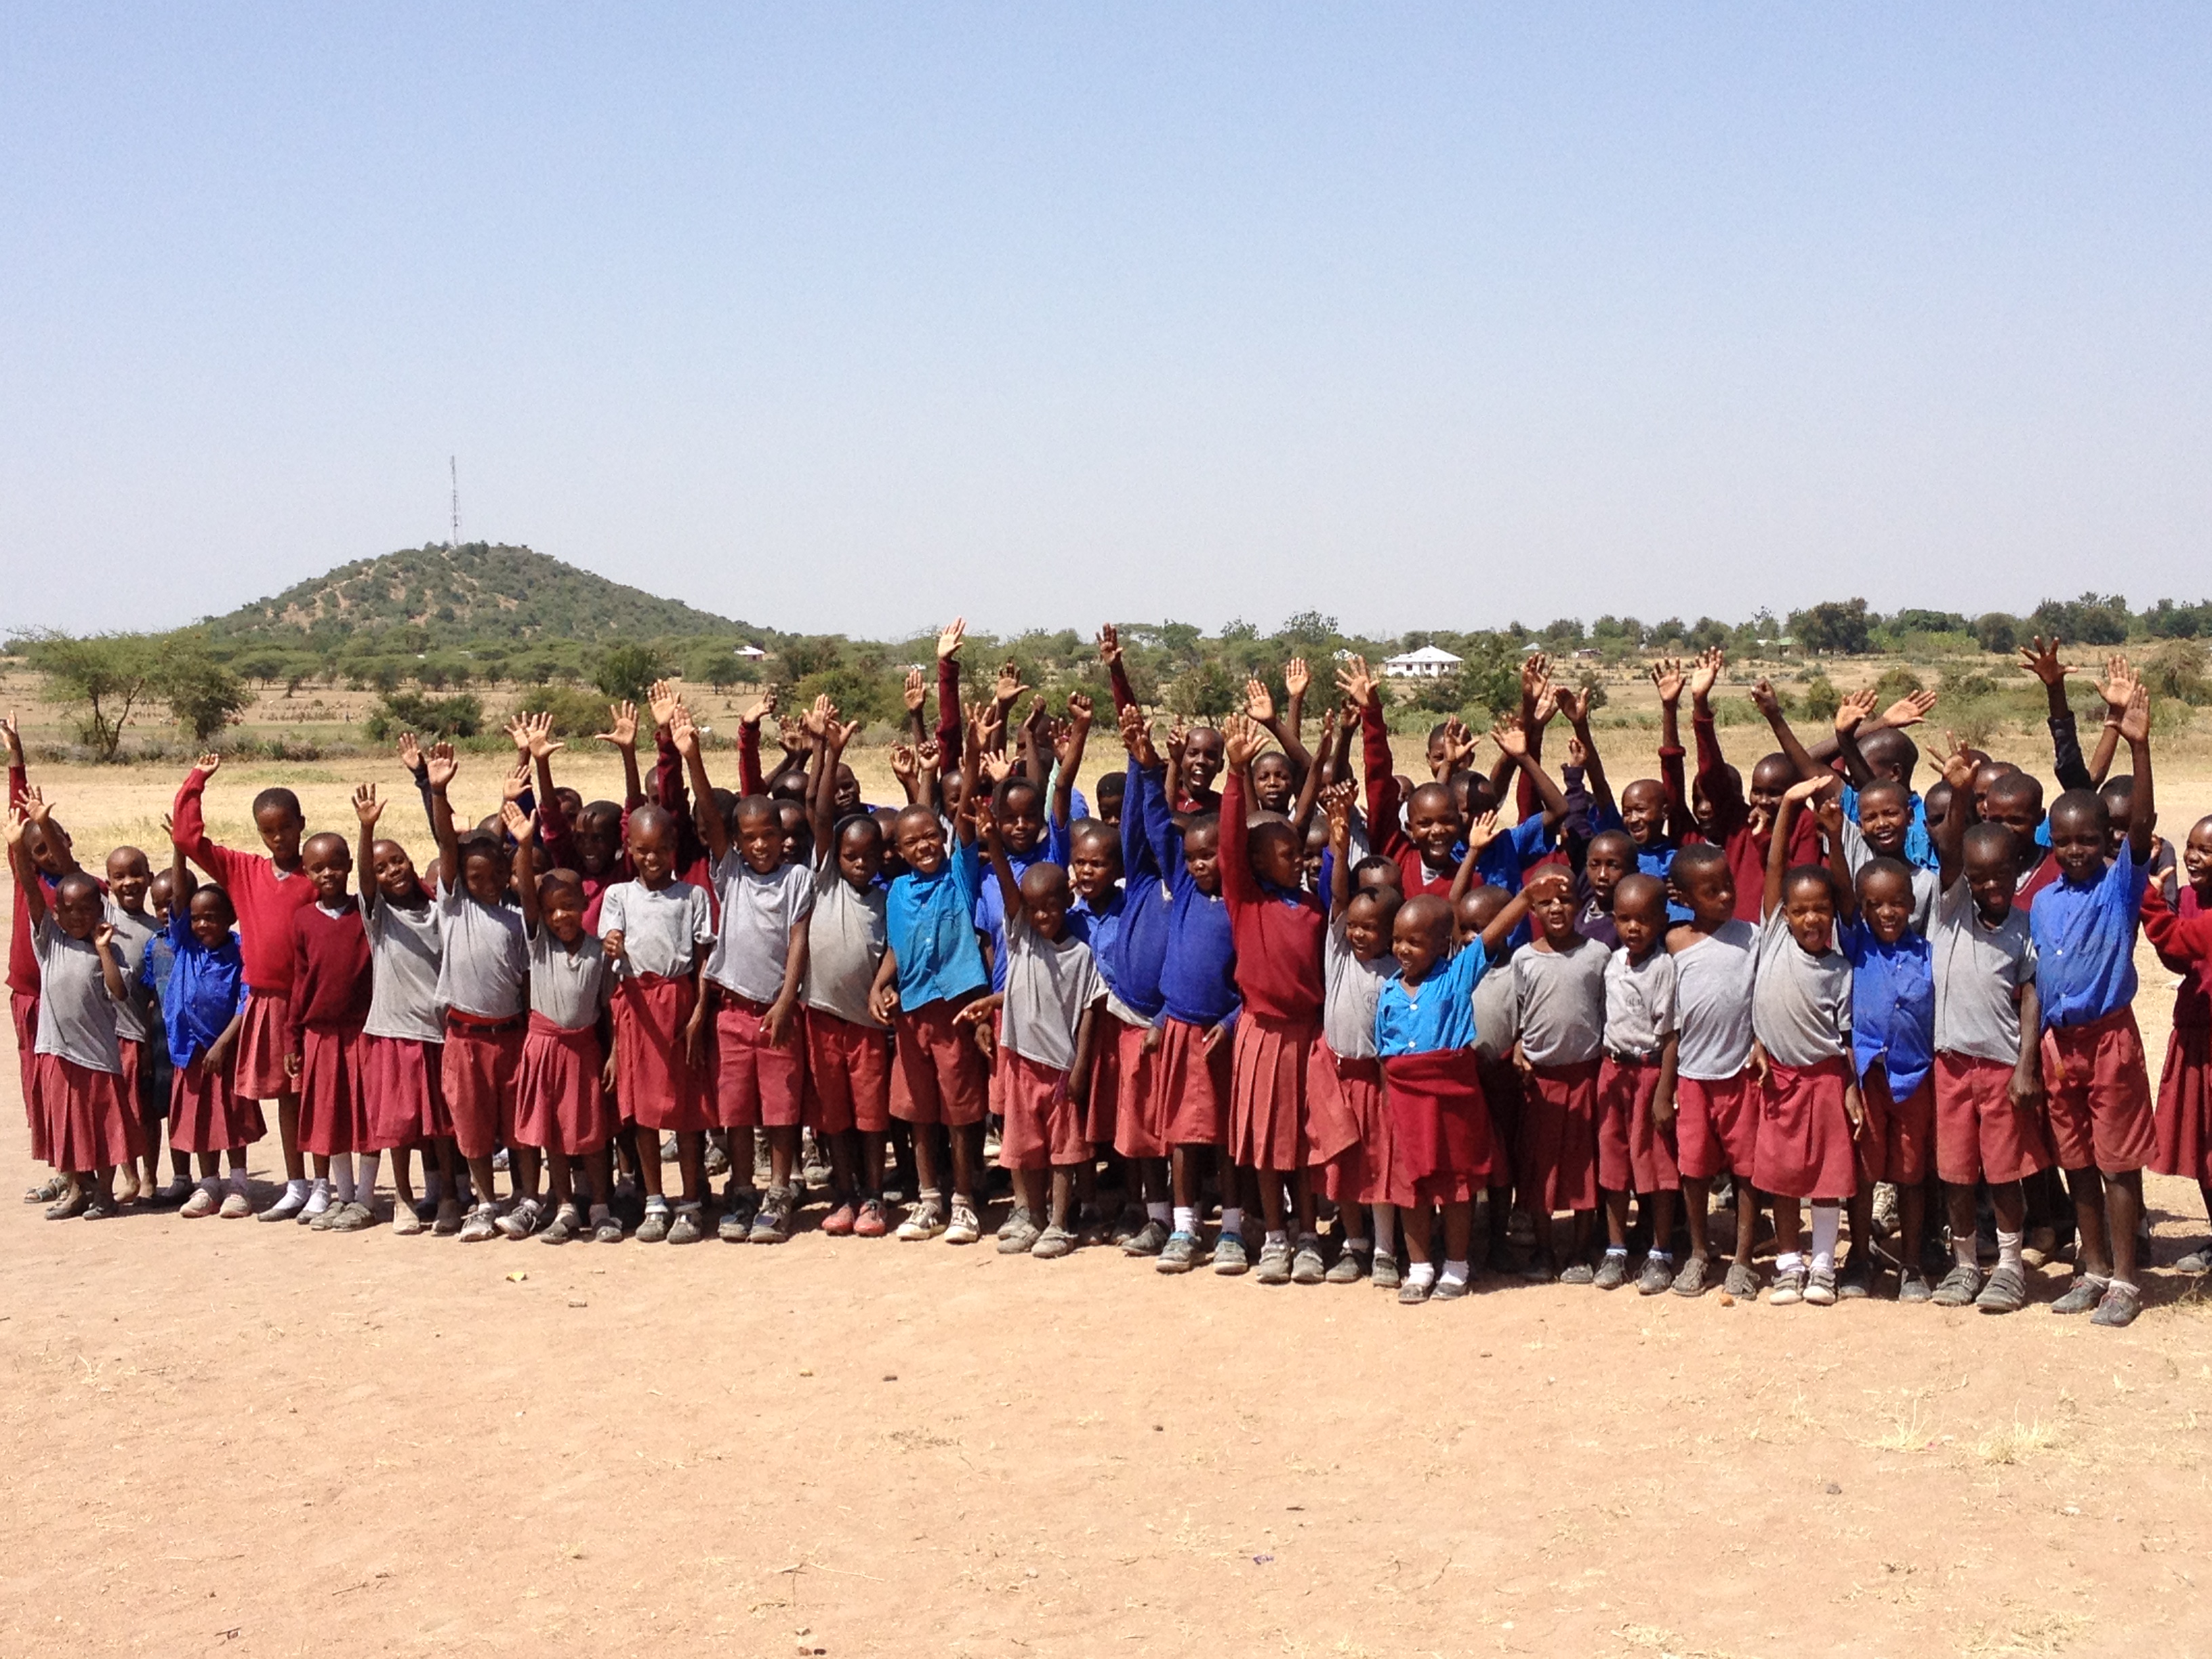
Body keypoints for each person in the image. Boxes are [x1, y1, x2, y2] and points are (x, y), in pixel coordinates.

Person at [1216, 714, 1357, 1286]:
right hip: (1263, 1033)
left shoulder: (1312, 908)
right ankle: (1274, 1235)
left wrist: (1340, 839)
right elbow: (1228, 846)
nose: (1295, 857)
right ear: (1254, 863)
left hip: (1309, 1034)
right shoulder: (1245, 903)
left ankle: (1307, 1236)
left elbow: (1340, 893)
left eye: (1298, 850)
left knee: (1304, 1140)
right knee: (1268, 1144)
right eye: (1281, 852)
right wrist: (1235, 773)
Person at [2034, 684, 2158, 1328]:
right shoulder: (2045, 900)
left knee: (2116, 1164)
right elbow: (2035, 985)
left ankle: (2127, 1283)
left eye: (2088, 840)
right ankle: (2094, 1268)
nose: (2077, 850)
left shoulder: (2118, 888)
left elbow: (2140, 825)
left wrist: (2138, 746)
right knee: (2077, 1162)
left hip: (2110, 1042)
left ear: (2105, 840)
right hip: (2061, 1050)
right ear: (2050, 841)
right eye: (2065, 841)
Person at [678, 706, 812, 1244]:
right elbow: (710, 816)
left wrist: (784, 1002)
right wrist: (692, 757)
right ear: (736, 842)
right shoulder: (728, 872)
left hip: (775, 1011)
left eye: (769, 836)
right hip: (731, 1012)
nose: (760, 845)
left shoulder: (797, 878)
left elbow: (799, 941)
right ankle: (740, 1190)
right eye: (749, 837)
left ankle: (779, 1193)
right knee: (735, 1110)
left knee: (779, 1111)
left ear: (783, 838)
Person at [1927, 739, 2049, 1314]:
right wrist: (1956, 792)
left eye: (2000, 874)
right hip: (1950, 1063)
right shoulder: (1950, 908)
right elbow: (1952, 849)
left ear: (2015, 869)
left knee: (2003, 1174)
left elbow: (2030, 995)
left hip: (2000, 1066)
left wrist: (2027, 1064)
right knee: (1955, 1172)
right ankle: (1964, 1265)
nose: (1990, 885)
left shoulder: (2024, 926)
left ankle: (2008, 1267)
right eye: (1979, 877)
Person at [171, 752, 319, 1220]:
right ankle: (295, 1184)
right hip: (263, 1001)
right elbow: (186, 837)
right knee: (285, 1096)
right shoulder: (244, 871)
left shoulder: (316, 871)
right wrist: (198, 781)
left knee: (310, 1093)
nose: (278, 838)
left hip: (306, 1002)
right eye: (268, 831)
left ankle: (323, 1183)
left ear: (301, 825)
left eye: (286, 829)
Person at [872, 705, 996, 1244]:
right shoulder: (898, 891)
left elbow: (965, 808)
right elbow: (899, 947)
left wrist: (972, 748)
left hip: (956, 1009)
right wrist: (881, 983)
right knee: (920, 1112)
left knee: (961, 1111)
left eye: (932, 838)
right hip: (913, 1011)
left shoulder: (961, 876)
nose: (924, 846)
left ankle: (965, 1200)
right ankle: (929, 1199)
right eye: (912, 842)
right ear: (898, 852)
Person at [967, 769, 1102, 1258]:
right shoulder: (1020, 936)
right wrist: (991, 843)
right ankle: (1029, 1214)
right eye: (1033, 909)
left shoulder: (1082, 955)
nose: (1042, 916)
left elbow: (1090, 1011)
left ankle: (1060, 1224)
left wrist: (1082, 1065)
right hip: (1020, 1058)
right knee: (1022, 1146)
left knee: (1064, 1151)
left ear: (1069, 902)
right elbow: (1007, 887)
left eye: (1051, 907)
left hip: (1062, 1066)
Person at [1374, 857, 1521, 1305]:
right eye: (1398, 939)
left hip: (1452, 1098)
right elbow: (1385, 1054)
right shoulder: (1389, 991)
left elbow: (1491, 933)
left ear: (1443, 945)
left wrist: (1528, 898)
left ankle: (1457, 1266)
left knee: (1457, 1186)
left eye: (1415, 942)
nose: (1403, 949)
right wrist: (1389, 1104)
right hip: (1406, 1102)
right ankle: (1419, 1268)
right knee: (1413, 1187)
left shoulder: (1457, 977)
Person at [1131, 710, 1244, 1273]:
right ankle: (1182, 1227)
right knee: (1180, 1133)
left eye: (1214, 856)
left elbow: (1253, 981)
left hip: (1221, 1034)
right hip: (1177, 1028)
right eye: (1195, 857)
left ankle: (1231, 1230)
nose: (1203, 865)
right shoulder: (1180, 880)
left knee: (1224, 1137)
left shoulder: (1243, 904)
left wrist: (1229, 1023)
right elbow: (1157, 826)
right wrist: (1152, 768)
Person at [782, 703, 895, 1238]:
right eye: (851, 856)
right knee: (835, 1117)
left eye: (870, 857)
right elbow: (821, 814)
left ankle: (875, 1197)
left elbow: (893, 953)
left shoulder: (886, 899)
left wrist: (881, 985)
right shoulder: (822, 879)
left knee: (872, 1118)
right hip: (823, 1016)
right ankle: (846, 1195)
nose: (860, 864)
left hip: (868, 1027)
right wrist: (830, 750)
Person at [1749, 778, 1863, 1307]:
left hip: (1823, 1081)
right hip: (1777, 1079)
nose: (1811, 918)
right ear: (1784, 915)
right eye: (1801, 911)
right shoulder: (1773, 934)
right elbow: (1774, 869)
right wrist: (1790, 806)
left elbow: (1844, 1040)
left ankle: (1822, 1264)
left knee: (1826, 1176)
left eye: (1821, 909)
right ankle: (1788, 1263)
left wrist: (1850, 1088)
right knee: (1782, 1176)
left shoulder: (1840, 969)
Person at [6, 794, 138, 1216]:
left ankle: (103, 1192)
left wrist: (102, 950)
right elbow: (31, 890)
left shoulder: (107, 949)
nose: (79, 917)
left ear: (100, 910)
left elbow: (119, 993)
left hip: (98, 1055)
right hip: (57, 1052)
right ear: (56, 914)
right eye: (70, 910)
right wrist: (16, 850)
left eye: (88, 909)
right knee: (69, 1125)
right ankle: (78, 1188)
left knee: (99, 1126)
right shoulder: (50, 941)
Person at [423, 743, 531, 1242]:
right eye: (475, 878)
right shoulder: (454, 908)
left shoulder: (516, 918)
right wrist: (438, 790)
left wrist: (520, 829)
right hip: (464, 1039)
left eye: (496, 876)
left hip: (511, 1038)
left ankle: (527, 1199)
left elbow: (517, 851)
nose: (487, 884)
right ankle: (486, 1202)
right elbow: (449, 845)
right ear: (460, 882)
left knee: (519, 1125)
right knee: (471, 1127)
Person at [599, 800, 718, 1244]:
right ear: (630, 849)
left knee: (685, 1113)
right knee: (643, 1113)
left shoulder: (692, 897)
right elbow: (612, 940)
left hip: (678, 1001)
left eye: (661, 849)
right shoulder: (619, 896)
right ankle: (654, 1199)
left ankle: (690, 1202)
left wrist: (699, 1013)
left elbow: (704, 959)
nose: (652, 859)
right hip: (636, 1007)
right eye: (643, 850)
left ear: (674, 848)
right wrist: (612, 943)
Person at [503, 803, 621, 1245]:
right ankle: (565, 1205)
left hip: (584, 1050)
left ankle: (601, 1207)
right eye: (552, 909)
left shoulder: (598, 951)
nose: (560, 917)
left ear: (585, 904)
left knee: (590, 1135)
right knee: (553, 1133)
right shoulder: (538, 943)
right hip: (544, 1049)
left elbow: (610, 1010)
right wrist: (525, 842)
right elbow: (529, 899)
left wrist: (614, 1053)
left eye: (569, 907)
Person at [1833, 840, 1936, 1300]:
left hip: (1913, 1080)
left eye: (1897, 903)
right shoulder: (1858, 945)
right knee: (1864, 1171)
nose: (1887, 913)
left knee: (1912, 1174)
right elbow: (1840, 893)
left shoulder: (1929, 953)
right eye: (1874, 904)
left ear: (1912, 904)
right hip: (1868, 1080)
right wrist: (1834, 838)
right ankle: (1859, 1256)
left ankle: (1911, 1264)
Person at [1664, 843, 1761, 1297]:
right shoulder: (1674, 943)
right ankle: (1700, 1252)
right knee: (1696, 1168)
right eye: (1710, 891)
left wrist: (1760, 1042)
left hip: (1741, 1074)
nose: (1725, 896)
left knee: (1747, 1168)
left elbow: (1762, 998)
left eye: (1727, 886)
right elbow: (1671, 1023)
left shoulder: (1752, 936)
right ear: (1683, 897)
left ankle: (1743, 1259)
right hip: (1693, 1077)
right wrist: (1667, 1089)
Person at [351, 782, 446, 1235]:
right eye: (382, 868)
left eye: (399, 861)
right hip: (396, 1031)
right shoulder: (380, 917)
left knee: (441, 1126)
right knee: (401, 1126)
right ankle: (403, 1201)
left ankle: (446, 1195)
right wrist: (366, 832)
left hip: (439, 1031)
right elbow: (366, 884)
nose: (393, 872)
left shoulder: (437, 908)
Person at [1319, 780, 1401, 1286]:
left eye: (1371, 928)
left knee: (1383, 1167)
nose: (1360, 934)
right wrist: (1340, 828)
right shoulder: (1338, 950)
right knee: (1345, 1166)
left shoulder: (1399, 966)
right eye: (1354, 925)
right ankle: (1354, 1243)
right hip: (1338, 1074)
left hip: (1380, 1080)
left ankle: (1387, 1251)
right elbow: (1338, 893)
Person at [150, 827, 256, 1220]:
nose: (202, 925)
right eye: (196, 919)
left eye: (212, 918)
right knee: (200, 1120)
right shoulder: (185, 944)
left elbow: (246, 1002)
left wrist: (225, 1043)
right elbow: (178, 899)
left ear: (231, 918)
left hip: (222, 1050)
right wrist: (179, 853)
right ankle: (208, 1184)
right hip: (187, 1049)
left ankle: (239, 1184)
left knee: (232, 1119)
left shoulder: (241, 952)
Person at [1510, 863, 1607, 1283]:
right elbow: (1518, 1016)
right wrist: (1517, 1047)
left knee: (1586, 1166)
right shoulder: (1524, 959)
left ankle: (1581, 1251)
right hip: (1541, 1081)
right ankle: (1544, 1250)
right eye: (1546, 901)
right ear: (1532, 907)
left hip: (1586, 1075)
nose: (1556, 908)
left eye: (1565, 899)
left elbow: (1607, 1010)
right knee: (1541, 1169)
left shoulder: (1598, 955)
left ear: (1580, 905)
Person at [285, 832, 377, 1231]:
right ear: (306, 873)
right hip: (320, 1035)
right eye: (318, 868)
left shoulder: (367, 912)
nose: (328, 874)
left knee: (368, 1116)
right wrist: (293, 1035)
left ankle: (368, 1198)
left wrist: (366, 828)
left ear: (351, 867)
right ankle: (344, 1196)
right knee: (333, 1116)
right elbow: (300, 981)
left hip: (364, 1031)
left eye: (336, 865)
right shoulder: (303, 920)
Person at [1596, 872, 1681, 1295]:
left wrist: (1665, 1091)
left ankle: (1661, 1253)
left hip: (1649, 1074)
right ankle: (1615, 1248)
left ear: (1662, 920)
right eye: (1625, 919)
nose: (1634, 928)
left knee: (1657, 1164)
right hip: (1614, 1073)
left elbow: (1670, 1035)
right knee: (1614, 1162)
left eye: (1644, 919)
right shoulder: (1611, 963)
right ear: (1613, 920)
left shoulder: (1663, 968)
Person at [2144, 814, 2212, 1271]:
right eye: (2191, 846)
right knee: (2204, 1145)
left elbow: (2183, 938)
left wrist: (2149, 902)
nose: (2193, 856)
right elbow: (2177, 960)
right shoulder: (2189, 897)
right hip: (2196, 1033)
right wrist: (2164, 902)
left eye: (2206, 850)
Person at [102, 842, 167, 1204]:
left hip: (142, 1037)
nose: (129, 882)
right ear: (108, 883)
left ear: (150, 878)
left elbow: (154, 994)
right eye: (119, 876)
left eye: (136, 874)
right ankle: (126, 1175)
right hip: (108, 1037)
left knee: (148, 1113)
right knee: (118, 1112)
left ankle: (150, 1176)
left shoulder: (154, 930)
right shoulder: (102, 919)